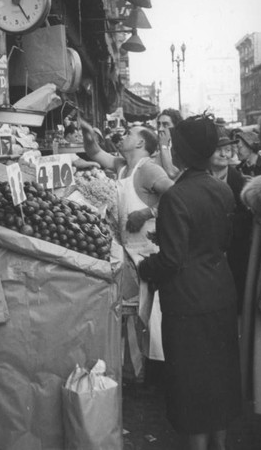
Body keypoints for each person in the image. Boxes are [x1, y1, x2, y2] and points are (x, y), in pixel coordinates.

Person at [138, 114, 242, 450]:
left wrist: (145, 267)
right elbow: (220, 240)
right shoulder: (223, 189)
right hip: (220, 293)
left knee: (192, 382)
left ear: (182, 153)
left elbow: (171, 260)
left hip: (187, 302)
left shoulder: (176, 197)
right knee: (219, 378)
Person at [78, 116, 173, 371]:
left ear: (141, 142)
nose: (124, 135)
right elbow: (95, 152)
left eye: (130, 133)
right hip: (128, 251)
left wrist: (147, 213)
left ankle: (157, 374)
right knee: (135, 315)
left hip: (149, 252)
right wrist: (88, 134)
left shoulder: (149, 169)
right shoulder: (122, 166)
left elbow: (176, 194)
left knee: (153, 317)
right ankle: (139, 372)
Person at [209, 125, 252, 313]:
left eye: (228, 149)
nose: (224, 154)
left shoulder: (241, 184)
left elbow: (247, 222)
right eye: (219, 149)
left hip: (233, 255)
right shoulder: (197, 179)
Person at [155, 108, 183, 180]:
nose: (160, 129)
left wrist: (164, 146)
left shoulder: (181, 148)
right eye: (159, 124)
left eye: (165, 125)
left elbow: (172, 173)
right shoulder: (155, 146)